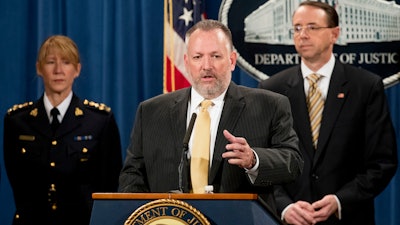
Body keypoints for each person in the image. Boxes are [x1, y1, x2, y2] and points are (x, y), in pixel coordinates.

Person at [118, 19, 303, 215]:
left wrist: (253, 160)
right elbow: (132, 175)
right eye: (198, 57)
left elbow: (293, 163)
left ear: (231, 61)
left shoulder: (269, 105)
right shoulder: (151, 112)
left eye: (216, 56)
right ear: (187, 62)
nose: (207, 66)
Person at [258, 2, 398, 225]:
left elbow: (382, 162)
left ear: (335, 34)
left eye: (312, 27)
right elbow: (262, 162)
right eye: (297, 28)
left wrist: (340, 200)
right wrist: (283, 205)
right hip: (289, 220)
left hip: (349, 218)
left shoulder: (365, 87)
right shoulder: (271, 89)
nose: (302, 35)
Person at [4, 35, 123, 225]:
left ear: (77, 69)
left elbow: (109, 184)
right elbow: (17, 180)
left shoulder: (99, 120)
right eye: (51, 62)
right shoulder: (17, 121)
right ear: (39, 68)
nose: (58, 70)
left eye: (66, 62)